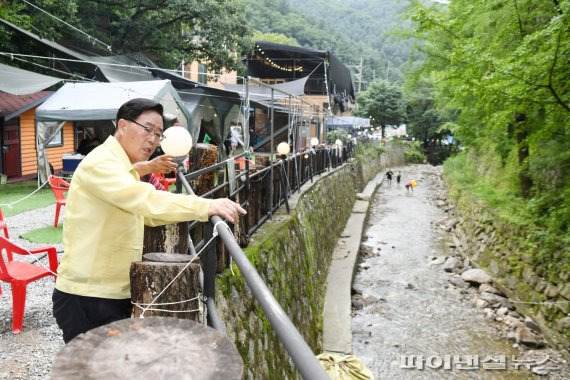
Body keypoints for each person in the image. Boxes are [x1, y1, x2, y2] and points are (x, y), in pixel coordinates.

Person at [52, 98, 246, 343]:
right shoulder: (101, 163)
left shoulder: (121, 166)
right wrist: (205, 205)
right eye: (147, 129)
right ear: (122, 125)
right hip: (89, 295)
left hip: (110, 291)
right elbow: (145, 199)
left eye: (158, 134)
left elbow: (149, 213)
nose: (153, 139)